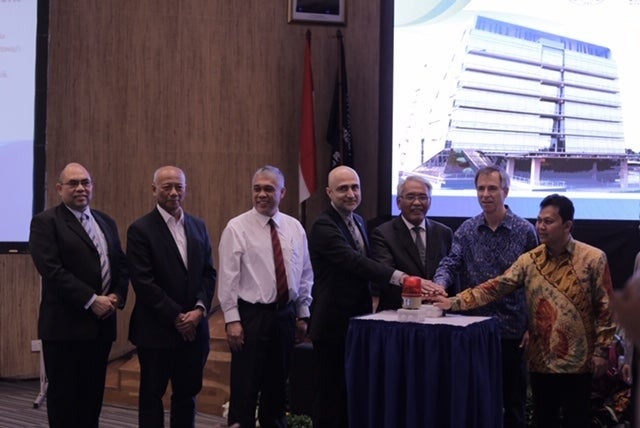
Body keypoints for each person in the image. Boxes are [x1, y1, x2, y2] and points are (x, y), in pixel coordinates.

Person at [429, 193, 616, 428]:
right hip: (541, 360)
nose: (541, 226)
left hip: (579, 361)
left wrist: (601, 351)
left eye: (549, 221)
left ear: (567, 225)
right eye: (539, 220)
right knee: (543, 420)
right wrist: (454, 302)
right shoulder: (530, 260)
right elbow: (496, 287)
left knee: (575, 420)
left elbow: (606, 308)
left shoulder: (593, 259)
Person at [308, 165, 423, 428]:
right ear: (329, 193)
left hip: (358, 320)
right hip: (332, 324)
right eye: (342, 188)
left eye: (355, 187)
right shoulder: (323, 225)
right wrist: (401, 278)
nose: (350, 193)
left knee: (351, 393)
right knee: (330, 397)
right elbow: (355, 263)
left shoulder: (358, 221)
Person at [431, 165, 537, 428]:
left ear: (506, 191)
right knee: (474, 400)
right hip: (473, 330)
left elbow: (537, 283)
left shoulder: (525, 231)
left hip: (512, 330)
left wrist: (532, 327)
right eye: (481, 188)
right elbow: (451, 262)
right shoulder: (466, 230)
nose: (486, 194)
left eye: (492, 188)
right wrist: (439, 284)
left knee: (512, 405)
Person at [28, 162, 129, 428]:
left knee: (91, 400)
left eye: (85, 182)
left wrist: (117, 296)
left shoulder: (106, 221)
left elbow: (120, 264)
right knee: (64, 402)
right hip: (65, 330)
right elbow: (52, 270)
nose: (80, 188)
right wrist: (91, 300)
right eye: (73, 183)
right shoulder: (45, 222)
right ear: (60, 188)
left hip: (101, 327)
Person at [218, 165, 313, 428]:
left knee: (277, 388)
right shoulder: (236, 228)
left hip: (285, 315)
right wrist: (231, 320)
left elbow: (304, 272)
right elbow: (228, 278)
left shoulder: (294, 227)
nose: (262, 194)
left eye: (268, 189)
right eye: (257, 188)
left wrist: (303, 313)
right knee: (245, 387)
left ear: (282, 192)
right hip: (251, 317)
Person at [127, 165, 216, 427]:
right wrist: (178, 318)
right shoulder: (140, 230)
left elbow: (209, 274)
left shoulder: (199, 226)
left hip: (195, 331)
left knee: (187, 397)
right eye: (167, 187)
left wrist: (199, 311)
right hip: (157, 332)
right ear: (154, 189)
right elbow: (143, 282)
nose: (174, 192)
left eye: (179, 186)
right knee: (152, 398)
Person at [370, 174, 453, 311]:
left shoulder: (444, 232)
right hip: (398, 314)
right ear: (398, 202)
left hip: (437, 313)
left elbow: (451, 273)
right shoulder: (383, 234)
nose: (417, 203)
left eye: (422, 197)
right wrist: (422, 292)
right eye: (410, 197)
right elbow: (385, 276)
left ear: (430, 202)